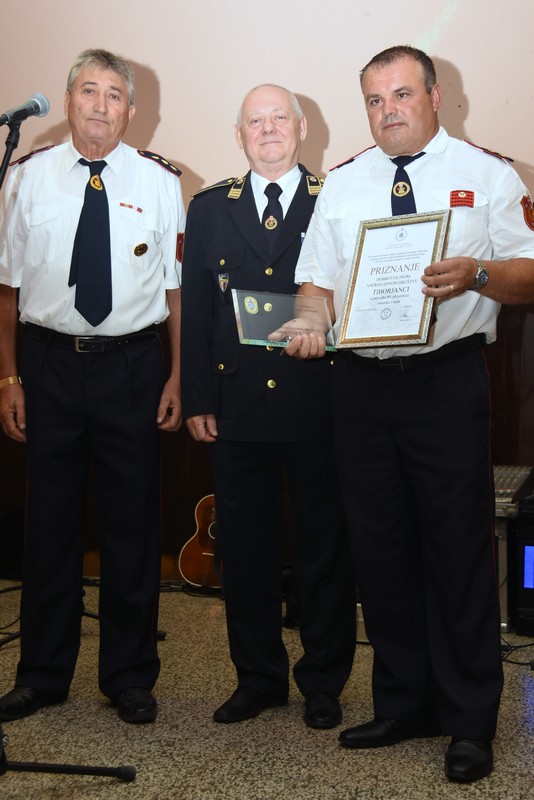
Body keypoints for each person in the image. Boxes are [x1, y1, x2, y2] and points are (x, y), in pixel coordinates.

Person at [281, 46, 534, 782]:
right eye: (374, 99)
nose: (388, 110)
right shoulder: (344, 182)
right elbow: (315, 284)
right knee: (381, 549)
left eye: (401, 94)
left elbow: (529, 273)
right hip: (361, 387)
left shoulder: (489, 173)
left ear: (435, 95)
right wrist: (307, 323)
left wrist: (477, 273)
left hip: (444, 384)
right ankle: (403, 703)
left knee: (457, 552)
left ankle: (469, 719)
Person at [0, 48, 186, 724]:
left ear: (131, 110)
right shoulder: (27, 177)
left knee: (132, 525)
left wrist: (178, 373)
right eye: (88, 90)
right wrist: (9, 375)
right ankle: (42, 674)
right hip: (48, 365)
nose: (100, 105)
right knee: (48, 524)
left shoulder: (159, 182)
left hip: (132, 366)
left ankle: (129, 675)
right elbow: (7, 287)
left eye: (114, 94)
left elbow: (176, 290)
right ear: (68, 100)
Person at [180, 84, 356, 728]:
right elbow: (197, 308)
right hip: (238, 404)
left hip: (319, 399)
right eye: (255, 120)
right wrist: (198, 396)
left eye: (280, 117)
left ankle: (323, 681)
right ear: (239, 135)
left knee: (323, 549)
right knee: (244, 548)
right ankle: (257, 678)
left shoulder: (337, 197)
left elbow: (352, 290)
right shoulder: (209, 208)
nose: (269, 128)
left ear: (302, 127)